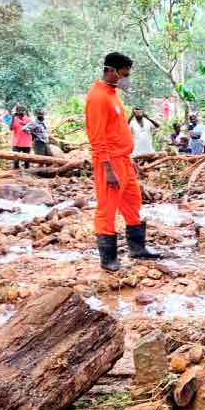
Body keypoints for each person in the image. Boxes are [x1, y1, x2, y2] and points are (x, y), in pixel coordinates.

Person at [85, 52, 161, 272]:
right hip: (108, 162)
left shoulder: (112, 93)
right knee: (107, 208)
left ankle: (137, 248)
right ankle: (108, 260)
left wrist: (128, 159)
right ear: (111, 70)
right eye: (124, 74)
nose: (126, 78)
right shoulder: (97, 97)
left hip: (123, 160)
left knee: (132, 202)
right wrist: (108, 169)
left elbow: (116, 131)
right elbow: (97, 137)